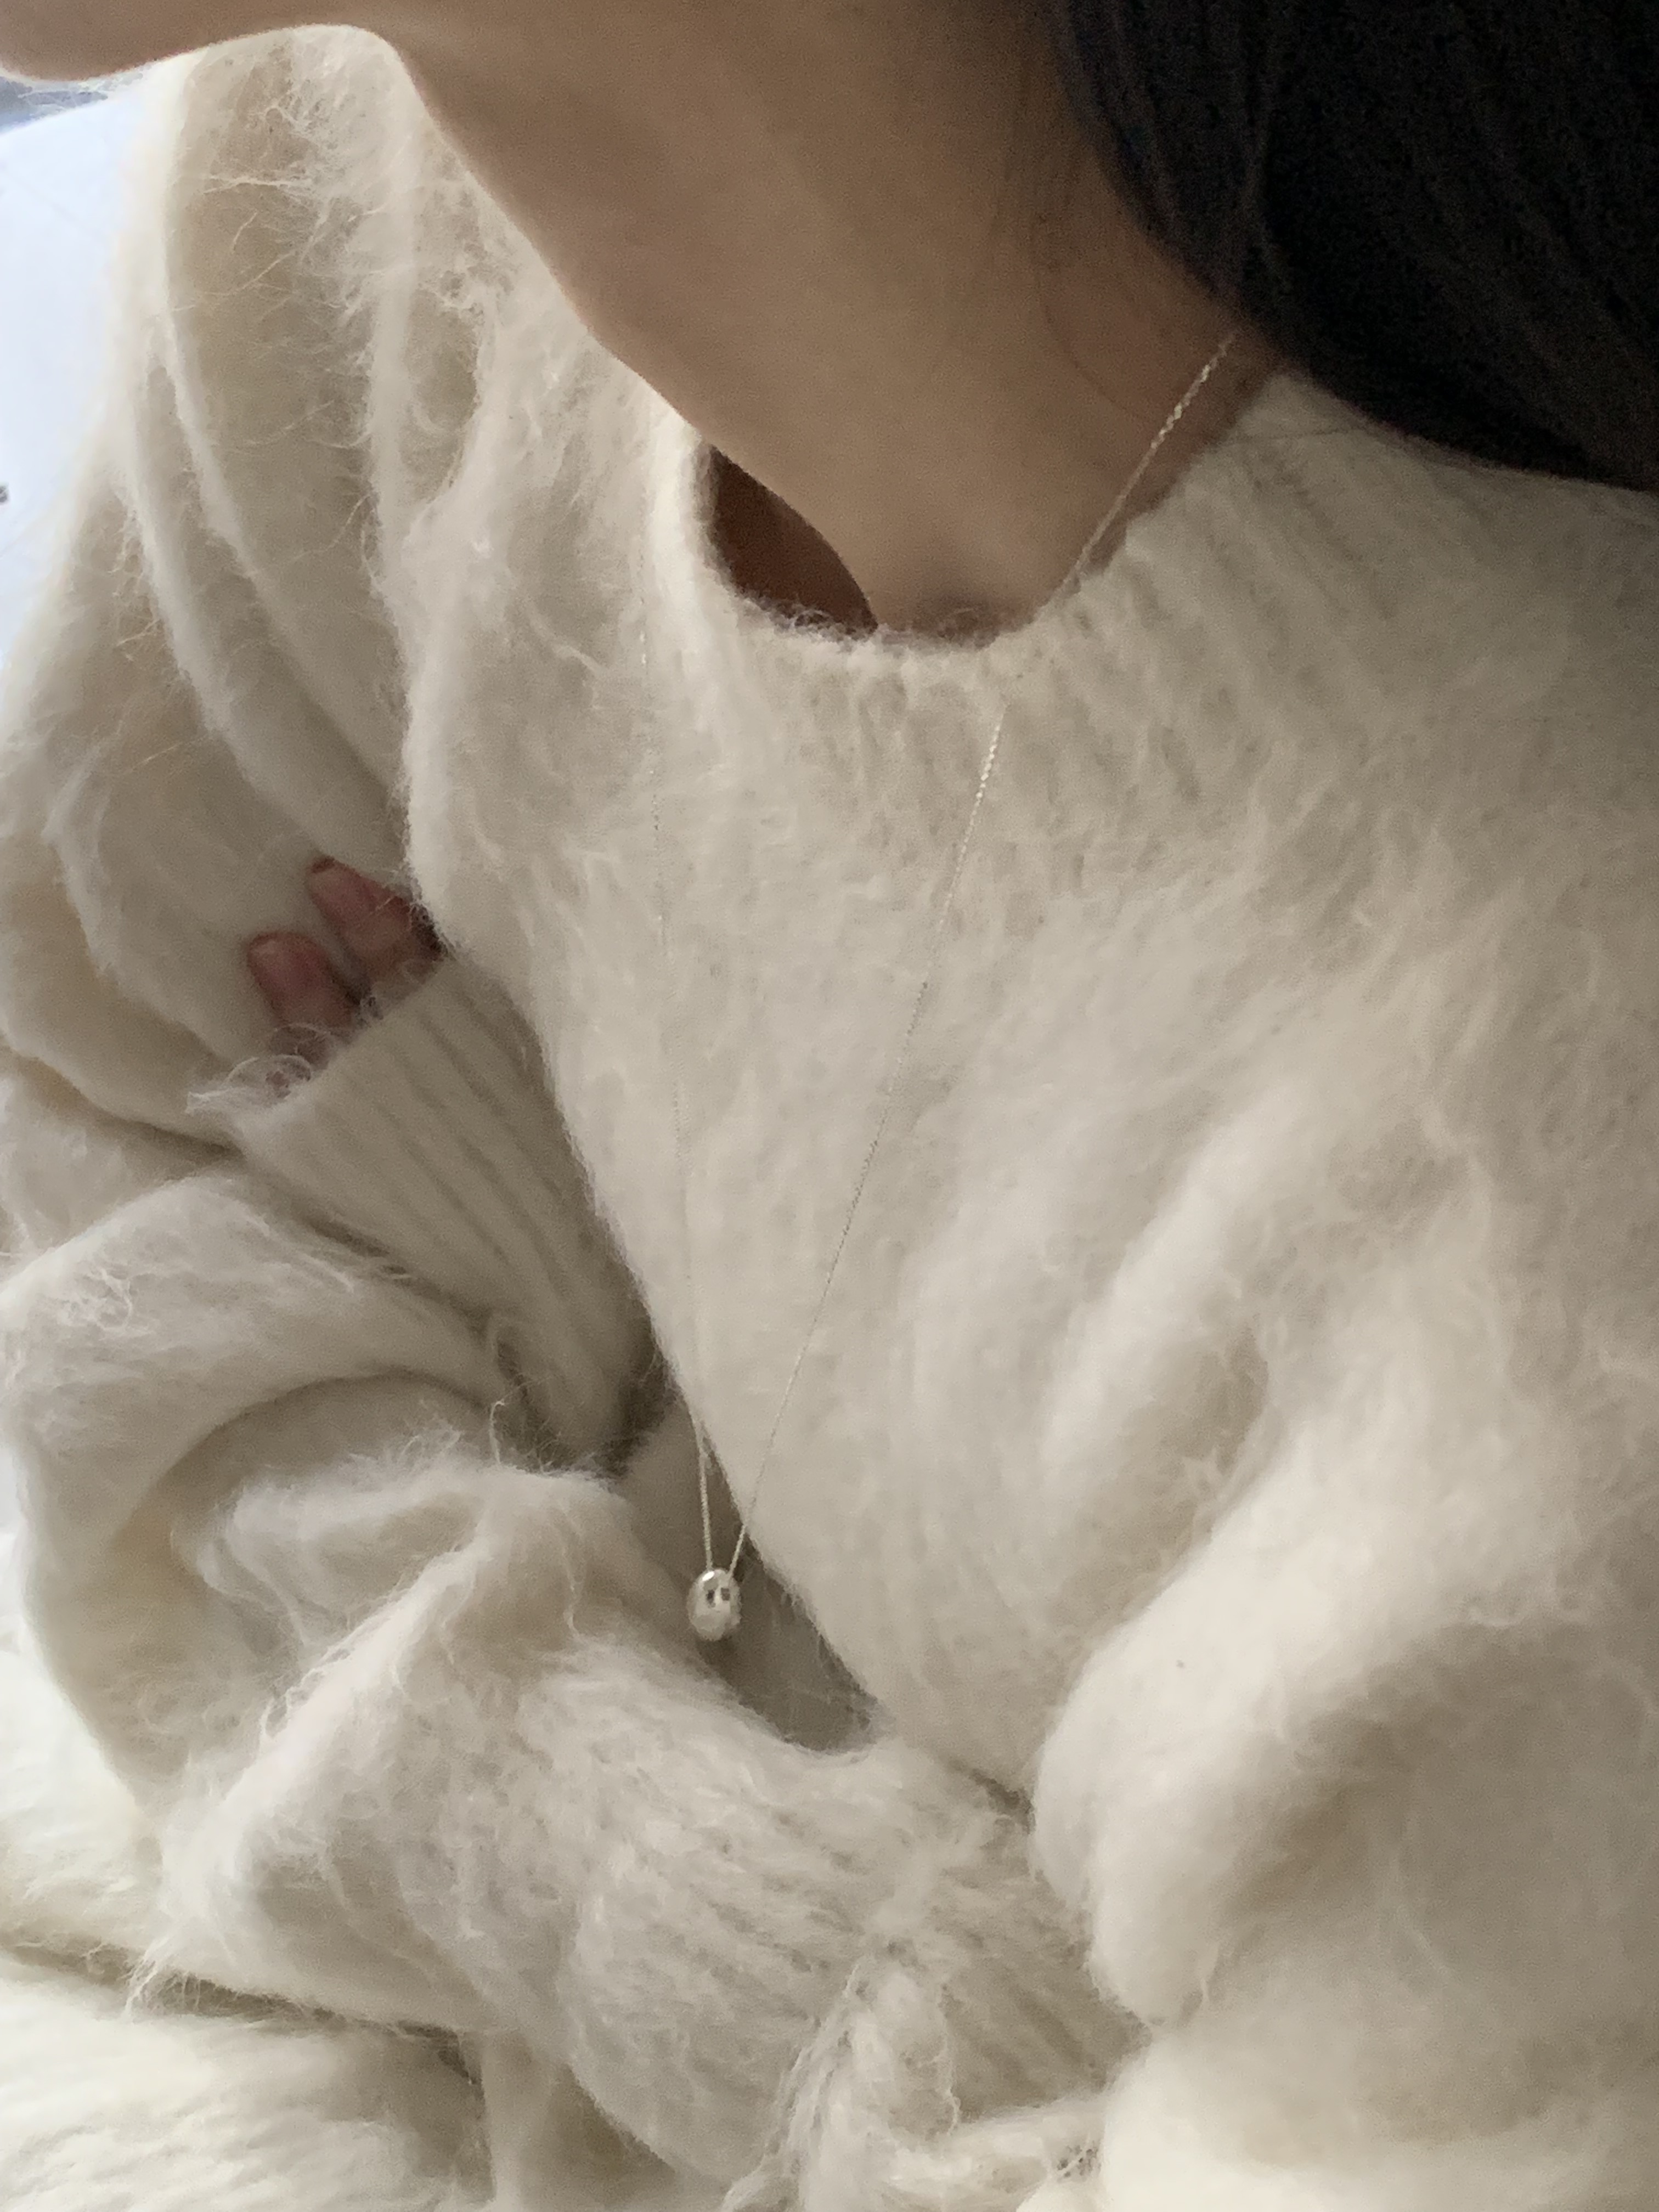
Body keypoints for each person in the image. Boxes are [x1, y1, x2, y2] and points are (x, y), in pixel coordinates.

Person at [0, 3, 1655, 2208]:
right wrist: (735, 1919)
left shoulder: (1552, 1286)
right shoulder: (350, 154)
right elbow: (94, 1159)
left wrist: (484, 1387)